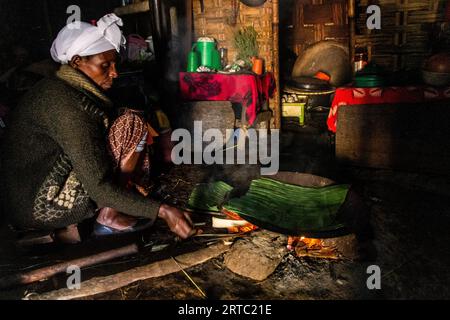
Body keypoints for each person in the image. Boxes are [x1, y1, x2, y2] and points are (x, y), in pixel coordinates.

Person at [0, 13, 196, 242]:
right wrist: (164, 210)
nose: (114, 72)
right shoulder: (66, 105)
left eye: (114, 64)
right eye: (105, 65)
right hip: (41, 205)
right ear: (76, 62)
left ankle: (111, 210)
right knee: (130, 123)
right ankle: (108, 216)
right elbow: (98, 187)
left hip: (27, 197)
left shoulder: (62, 88)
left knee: (128, 120)